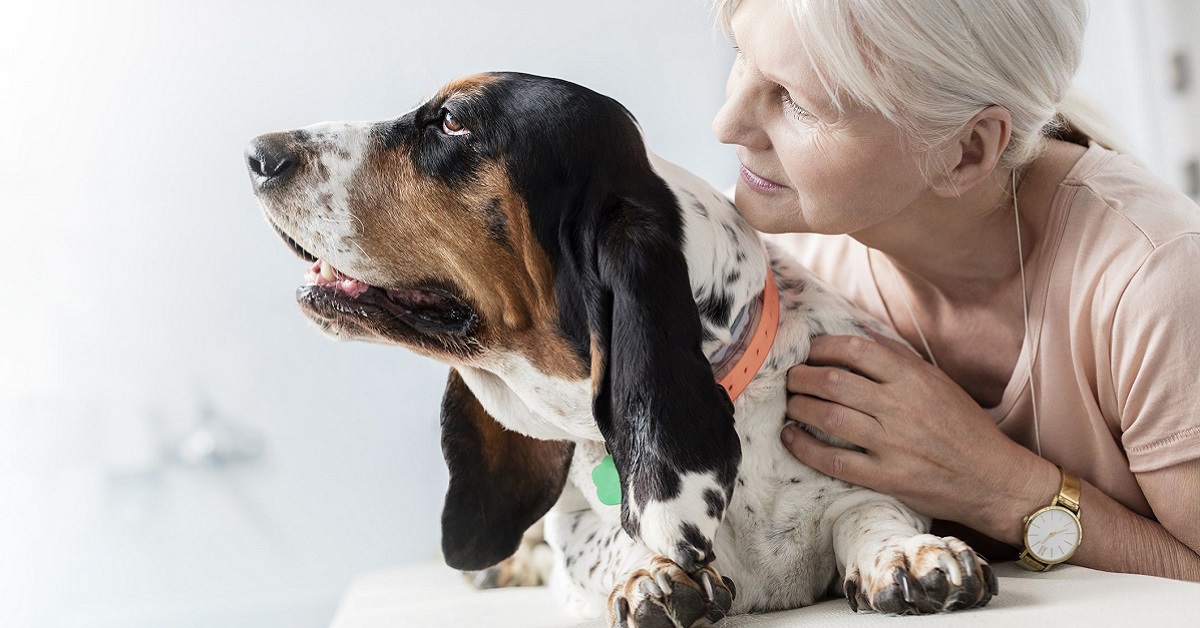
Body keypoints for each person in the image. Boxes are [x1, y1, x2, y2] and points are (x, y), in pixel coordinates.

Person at [711, 0, 1200, 580]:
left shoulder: (1158, 281)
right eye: (743, 56)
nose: (727, 126)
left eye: (798, 102)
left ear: (966, 151)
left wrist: (1002, 487)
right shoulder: (794, 275)